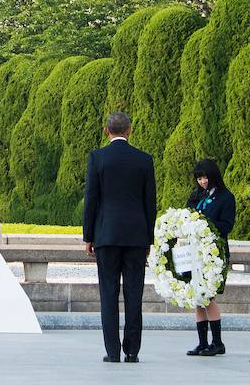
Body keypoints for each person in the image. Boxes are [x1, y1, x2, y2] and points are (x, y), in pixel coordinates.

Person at [83, 112, 156, 363]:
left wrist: (88, 236)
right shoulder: (144, 160)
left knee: (109, 294)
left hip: (106, 234)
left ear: (106, 131)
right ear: (129, 131)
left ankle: (112, 351)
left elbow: (91, 200)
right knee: (134, 294)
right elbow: (150, 203)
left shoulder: (97, 158)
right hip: (136, 236)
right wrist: (149, 238)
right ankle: (132, 350)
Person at [185, 158, 235, 357]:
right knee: (198, 298)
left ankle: (218, 342)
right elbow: (186, 215)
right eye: (199, 178)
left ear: (213, 176)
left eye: (205, 177)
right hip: (195, 253)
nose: (202, 181)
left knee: (208, 296)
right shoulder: (197, 196)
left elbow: (227, 225)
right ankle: (202, 343)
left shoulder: (226, 197)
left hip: (214, 253)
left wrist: (206, 227)